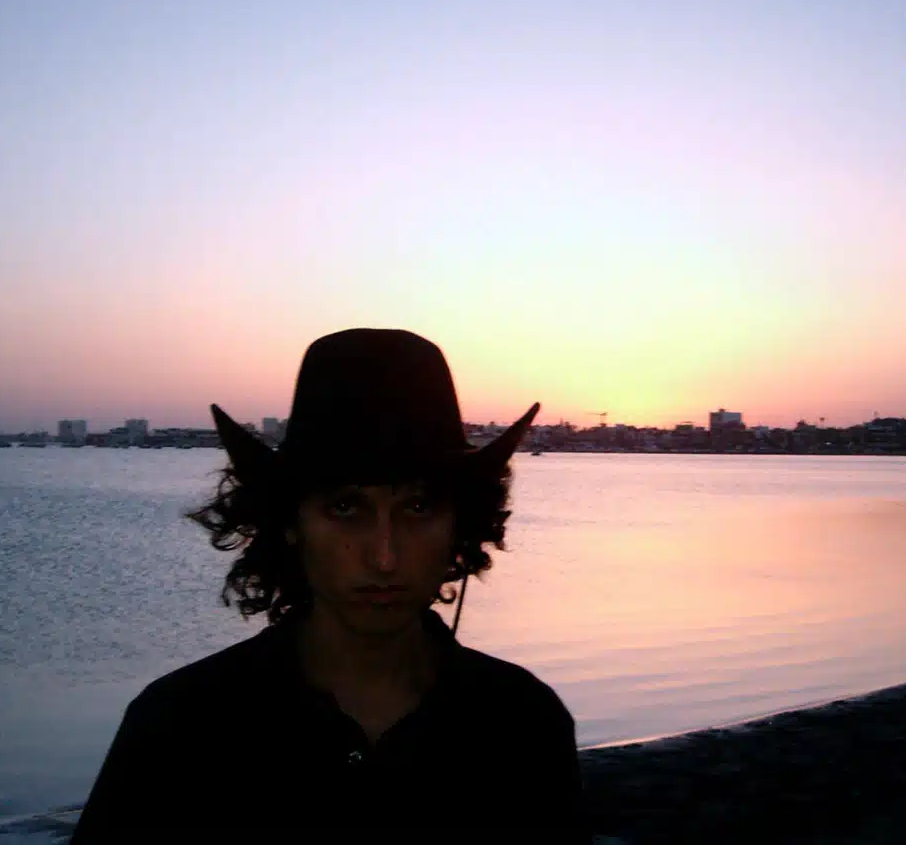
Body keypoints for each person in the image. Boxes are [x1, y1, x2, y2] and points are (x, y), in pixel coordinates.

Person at [70, 328, 593, 843]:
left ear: (459, 526)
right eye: (346, 508)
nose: (384, 557)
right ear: (291, 524)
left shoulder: (522, 722)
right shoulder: (181, 726)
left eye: (417, 507)